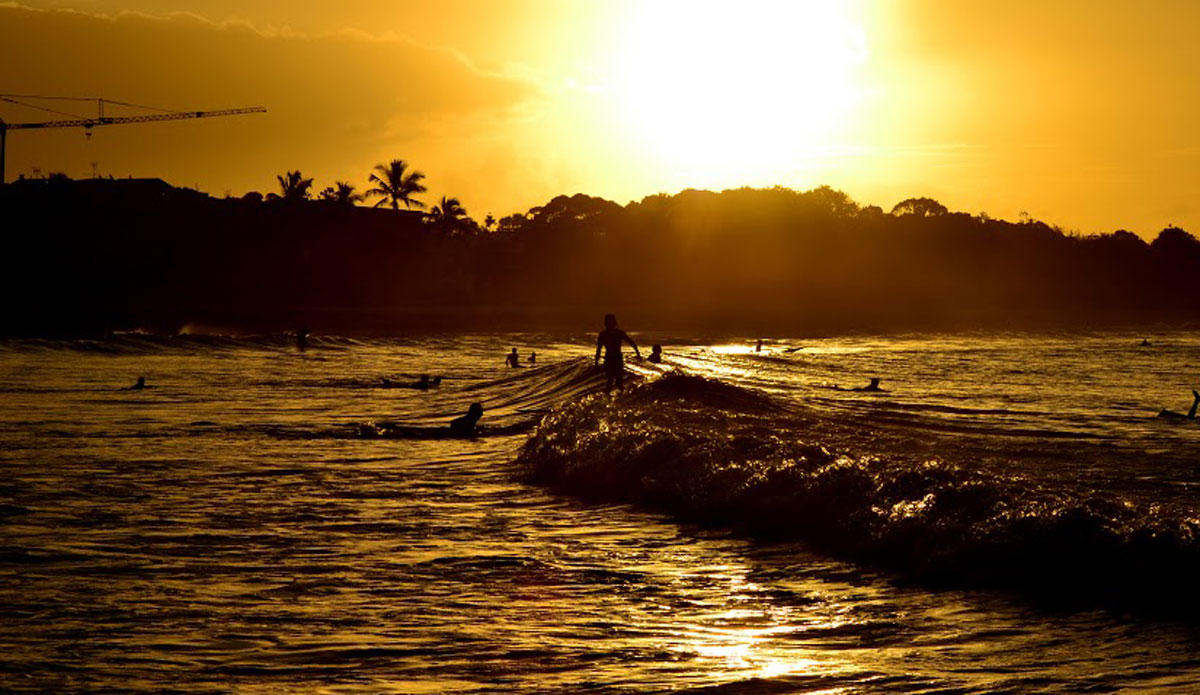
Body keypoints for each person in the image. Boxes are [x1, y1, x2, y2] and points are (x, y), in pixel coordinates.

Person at [595, 313, 641, 391]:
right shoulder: (608, 334)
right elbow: (598, 349)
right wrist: (596, 363)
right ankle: (618, 395)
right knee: (613, 381)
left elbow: (632, 343)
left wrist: (638, 354)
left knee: (614, 381)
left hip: (613, 357)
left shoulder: (609, 334)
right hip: (613, 357)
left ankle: (617, 395)